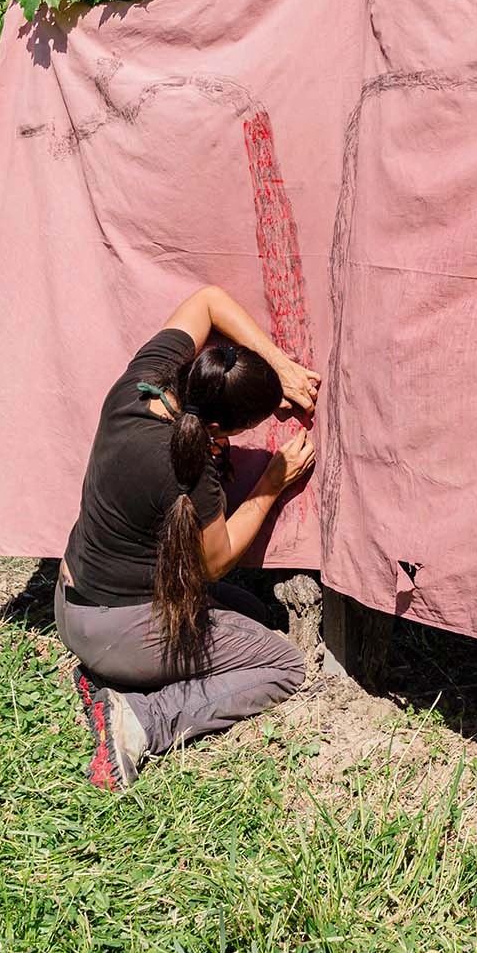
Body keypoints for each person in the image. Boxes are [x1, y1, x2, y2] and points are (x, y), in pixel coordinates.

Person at [56, 284, 320, 789]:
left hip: (73, 604)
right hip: (118, 631)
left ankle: (109, 672)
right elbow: (215, 562)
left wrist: (277, 367)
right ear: (219, 429)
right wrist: (271, 482)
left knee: (253, 609)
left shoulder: (141, 383)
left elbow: (207, 301)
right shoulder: (187, 466)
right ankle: (140, 718)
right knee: (281, 664)